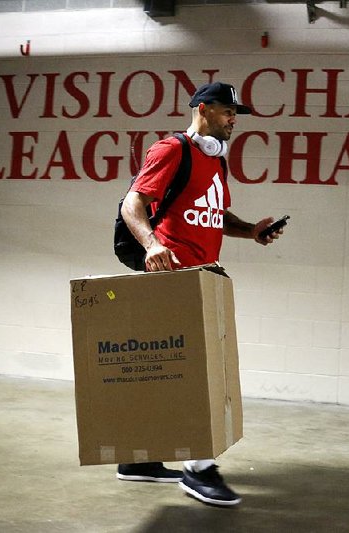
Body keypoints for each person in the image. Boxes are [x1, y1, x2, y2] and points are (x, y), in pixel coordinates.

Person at [116, 81, 283, 507]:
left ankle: (138, 458)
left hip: (202, 276)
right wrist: (153, 245)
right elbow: (132, 205)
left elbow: (213, 215)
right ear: (203, 109)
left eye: (235, 114)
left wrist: (251, 231)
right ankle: (199, 469)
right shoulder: (171, 150)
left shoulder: (216, 163)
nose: (233, 120)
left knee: (163, 370)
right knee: (198, 374)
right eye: (229, 112)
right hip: (174, 277)